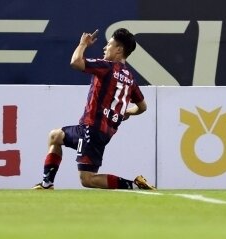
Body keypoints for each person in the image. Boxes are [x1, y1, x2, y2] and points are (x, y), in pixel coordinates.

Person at [33, 28, 154, 191]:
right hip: (100, 131)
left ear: (119, 50)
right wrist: (126, 112)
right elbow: (142, 107)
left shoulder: (107, 67)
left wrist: (83, 44)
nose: (105, 48)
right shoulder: (129, 78)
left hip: (92, 128)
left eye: (109, 44)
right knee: (55, 136)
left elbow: (76, 62)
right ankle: (47, 184)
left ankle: (135, 185)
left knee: (87, 179)